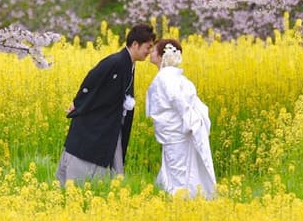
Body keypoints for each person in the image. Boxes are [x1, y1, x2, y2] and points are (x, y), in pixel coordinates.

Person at [56, 23, 157, 186]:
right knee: (87, 156)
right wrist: (78, 103)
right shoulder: (115, 61)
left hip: (110, 123)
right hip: (97, 122)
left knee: (109, 157)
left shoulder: (129, 64)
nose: (149, 51)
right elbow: (91, 80)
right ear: (135, 44)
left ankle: (101, 188)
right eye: (148, 47)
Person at [145, 38, 216, 198]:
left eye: (154, 49)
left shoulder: (166, 77)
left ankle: (182, 202)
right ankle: (186, 200)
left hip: (175, 133)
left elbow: (178, 100)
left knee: (178, 172)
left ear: (162, 55)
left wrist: (189, 120)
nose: (151, 52)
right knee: (180, 169)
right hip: (174, 132)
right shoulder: (175, 76)